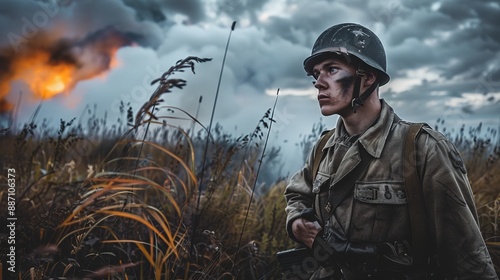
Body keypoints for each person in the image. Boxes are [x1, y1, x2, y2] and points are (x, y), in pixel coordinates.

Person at [284, 22, 497, 279]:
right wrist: (298, 224)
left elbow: (467, 257)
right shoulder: (323, 147)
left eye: (331, 70)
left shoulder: (423, 149)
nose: (319, 83)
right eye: (316, 74)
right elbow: (297, 194)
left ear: (368, 77)